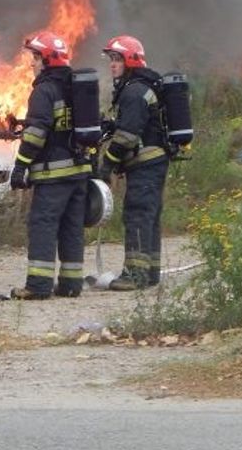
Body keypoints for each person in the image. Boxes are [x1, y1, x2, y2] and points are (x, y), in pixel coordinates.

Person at [9, 31, 92, 300]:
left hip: (53, 174)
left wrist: (20, 166)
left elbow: (36, 134)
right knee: (72, 227)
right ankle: (71, 285)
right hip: (79, 172)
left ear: (45, 59)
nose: (31, 64)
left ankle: (38, 286)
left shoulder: (44, 90)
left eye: (34, 58)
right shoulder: (75, 88)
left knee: (43, 224)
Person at [97, 35, 168, 291]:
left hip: (145, 165)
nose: (112, 64)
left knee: (137, 215)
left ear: (130, 61)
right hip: (153, 163)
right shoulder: (139, 88)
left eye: (117, 59)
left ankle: (135, 275)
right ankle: (150, 272)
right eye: (111, 59)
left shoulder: (134, 91)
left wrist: (107, 164)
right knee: (149, 217)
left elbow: (127, 136)